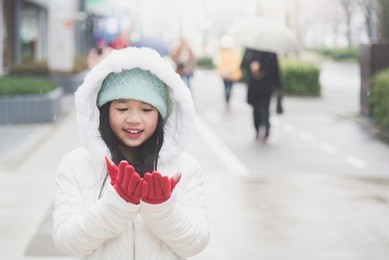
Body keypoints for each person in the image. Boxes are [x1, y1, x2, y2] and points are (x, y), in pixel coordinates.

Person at [53, 47, 209, 259]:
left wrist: (161, 209)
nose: (134, 119)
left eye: (146, 110)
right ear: (105, 110)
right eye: (122, 108)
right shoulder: (76, 164)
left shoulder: (186, 168)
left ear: (161, 114)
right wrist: (118, 204)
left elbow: (195, 243)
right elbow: (67, 242)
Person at [241, 48, 282, 141]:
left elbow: (275, 69)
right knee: (256, 109)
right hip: (254, 86)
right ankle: (257, 129)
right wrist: (251, 65)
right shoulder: (250, 50)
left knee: (265, 108)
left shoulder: (270, 52)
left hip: (267, 86)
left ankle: (266, 128)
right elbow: (243, 64)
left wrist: (278, 86)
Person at [216, 35, 243, 109]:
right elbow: (220, 63)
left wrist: (228, 70)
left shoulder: (231, 52)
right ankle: (227, 97)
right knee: (228, 87)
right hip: (227, 74)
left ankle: (227, 97)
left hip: (230, 74)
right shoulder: (226, 52)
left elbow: (235, 62)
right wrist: (226, 71)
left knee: (228, 87)